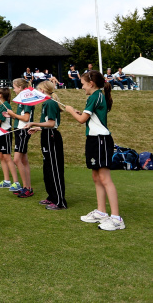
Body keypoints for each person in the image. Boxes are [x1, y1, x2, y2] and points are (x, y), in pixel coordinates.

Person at [65, 71, 125, 230]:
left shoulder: (95, 96)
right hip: (94, 139)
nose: (82, 87)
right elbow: (89, 117)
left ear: (91, 84)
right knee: (96, 176)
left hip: (100, 140)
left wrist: (71, 111)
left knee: (105, 178)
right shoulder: (95, 97)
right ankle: (101, 212)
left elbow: (81, 120)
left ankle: (117, 218)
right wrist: (81, 112)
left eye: (83, 84)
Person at [26, 81, 67, 210]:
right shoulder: (46, 103)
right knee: (47, 168)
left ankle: (60, 201)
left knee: (54, 169)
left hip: (52, 137)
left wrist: (33, 123)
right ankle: (52, 197)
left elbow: (51, 124)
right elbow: (46, 124)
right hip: (47, 135)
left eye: (38, 90)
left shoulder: (50, 103)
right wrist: (38, 128)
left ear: (43, 90)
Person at [3, 78, 34, 197]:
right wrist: (12, 116)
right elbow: (22, 117)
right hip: (19, 130)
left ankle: (26, 187)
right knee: (23, 160)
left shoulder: (26, 100)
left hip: (23, 131)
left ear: (20, 88)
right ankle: (28, 187)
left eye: (14, 87)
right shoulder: (22, 100)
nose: (13, 89)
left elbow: (26, 118)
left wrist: (12, 114)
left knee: (16, 160)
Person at [0, 88, 19, 189]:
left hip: (5, 134)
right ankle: (6, 180)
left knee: (7, 157)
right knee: (1, 157)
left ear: (0, 95)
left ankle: (16, 182)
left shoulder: (6, 105)